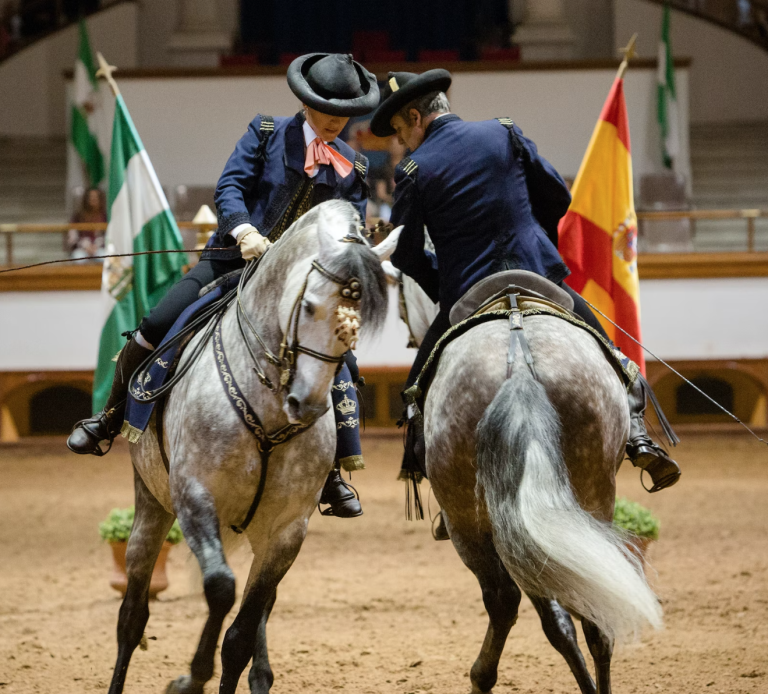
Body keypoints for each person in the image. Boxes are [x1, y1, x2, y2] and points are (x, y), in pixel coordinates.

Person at [370, 69, 681, 535]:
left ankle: (441, 484)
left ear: (415, 116)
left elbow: (409, 252)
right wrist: (538, 249)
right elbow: (556, 195)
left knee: (417, 390)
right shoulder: (504, 130)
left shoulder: (414, 170)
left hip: (467, 287)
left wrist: (445, 289)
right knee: (608, 349)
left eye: (400, 133)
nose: (402, 144)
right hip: (535, 272)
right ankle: (638, 435)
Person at [68, 53, 380, 517]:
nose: (337, 120)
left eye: (344, 113)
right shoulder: (267, 132)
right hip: (230, 261)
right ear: (305, 101)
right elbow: (229, 186)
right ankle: (110, 418)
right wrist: (243, 230)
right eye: (327, 110)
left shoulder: (354, 166)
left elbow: (348, 221)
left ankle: (332, 472)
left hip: (297, 285)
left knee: (341, 360)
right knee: (156, 322)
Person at [67, 187, 107, 260]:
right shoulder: (77, 217)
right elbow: (73, 236)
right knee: (78, 258)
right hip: (82, 248)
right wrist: (86, 246)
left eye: (96, 197)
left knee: (103, 257)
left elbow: (109, 236)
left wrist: (96, 246)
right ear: (86, 199)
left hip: (100, 248)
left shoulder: (106, 217)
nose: (93, 199)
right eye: (91, 197)